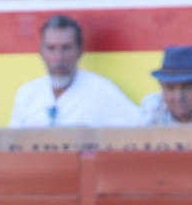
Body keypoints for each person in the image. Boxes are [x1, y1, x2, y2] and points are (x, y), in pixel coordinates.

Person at [8, 14, 138, 128]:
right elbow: (12, 146)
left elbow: (140, 130)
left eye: (66, 48)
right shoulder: (27, 93)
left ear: (80, 51)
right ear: (41, 52)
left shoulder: (101, 91)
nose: (59, 57)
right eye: (51, 48)